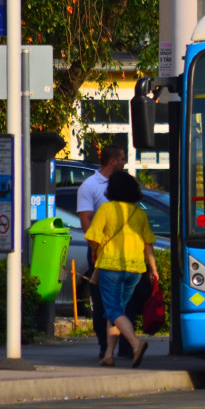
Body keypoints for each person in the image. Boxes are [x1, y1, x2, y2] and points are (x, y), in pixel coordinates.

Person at [84, 171, 158, 368]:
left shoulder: (107, 209)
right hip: (135, 269)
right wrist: (154, 269)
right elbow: (148, 244)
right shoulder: (139, 213)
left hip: (111, 266)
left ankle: (135, 343)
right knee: (115, 311)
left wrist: (94, 252)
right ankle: (109, 354)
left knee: (113, 310)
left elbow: (93, 236)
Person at [76, 145, 126, 359]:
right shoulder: (90, 186)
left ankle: (123, 346)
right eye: (122, 158)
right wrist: (96, 247)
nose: (125, 162)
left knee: (123, 301)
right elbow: (86, 220)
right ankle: (104, 346)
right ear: (112, 161)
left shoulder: (123, 183)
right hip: (101, 253)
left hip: (124, 252)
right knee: (102, 302)